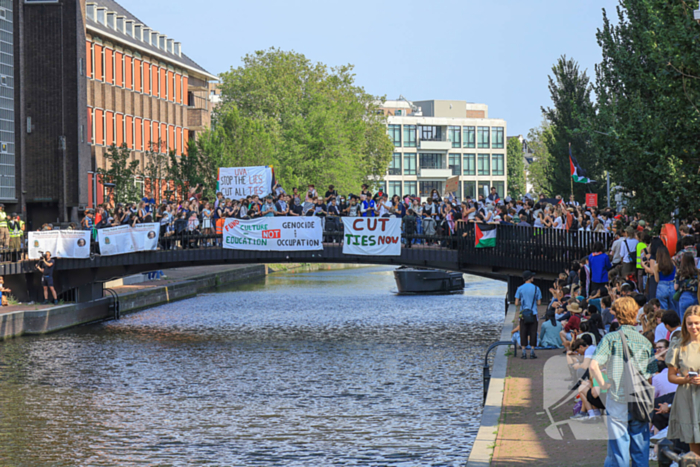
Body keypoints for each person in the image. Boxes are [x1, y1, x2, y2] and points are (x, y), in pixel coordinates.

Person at [589, 297, 657, 467]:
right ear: (635, 313)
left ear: (616, 315)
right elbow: (650, 375)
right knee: (640, 448)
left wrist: (603, 385)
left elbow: (593, 365)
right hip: (640, 398)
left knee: (619, 448)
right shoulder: (645, 341)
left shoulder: (611, 338)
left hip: (617, 396)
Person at [665, 305, 700, 456]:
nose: (694, 327)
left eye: (697, 322)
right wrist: (686, 380)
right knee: (694, 448)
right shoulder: (678, 344)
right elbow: (671, 377)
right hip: (687, 397)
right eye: (689, 323)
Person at [515, 270, 543, 359]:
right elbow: (539, 303)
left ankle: (523, 353)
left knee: (523, 332)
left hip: (523, 314)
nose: (533, 278)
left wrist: (522, 302)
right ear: (529, 278)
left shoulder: (520, 288)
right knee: (533, 332)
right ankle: (532, 352)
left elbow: (516, 303)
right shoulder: (536, 288)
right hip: (533, 313)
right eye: (532, 276)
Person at [646, 245, 677, 314]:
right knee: (674, 308)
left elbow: (657, 280)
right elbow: (675, 275)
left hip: (662, 286)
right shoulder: (673, 263)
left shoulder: (656, 266)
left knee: (663, 310)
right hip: (672, 285)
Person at [674, 253, 699, 321]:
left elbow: (675, 287)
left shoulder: (680, 272)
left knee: (684, 321)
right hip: (696, 297)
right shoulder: (697, 272)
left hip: (684, 297)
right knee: (696, 319)